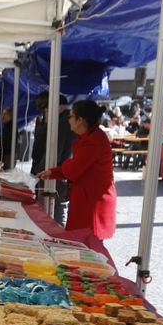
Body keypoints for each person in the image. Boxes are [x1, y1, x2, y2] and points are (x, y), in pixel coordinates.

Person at [39, 99, 117, 240]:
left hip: (93, 203)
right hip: (87, 198)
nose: (68, 120)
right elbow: (75, 167)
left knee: (87, 247)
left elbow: (72, 170)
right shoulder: (89, 137)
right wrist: (53, 172)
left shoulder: (94, 141)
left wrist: (58, 170)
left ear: (80, 120)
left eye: (71, 116)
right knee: (82, 244)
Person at [32, 99, 74, 222]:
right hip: (57, 171)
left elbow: (56, 150)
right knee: (57, 207)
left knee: (57, 207)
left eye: (46, 108)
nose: (45, 111)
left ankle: (58, 236)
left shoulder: (62, 123)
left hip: (57, 172)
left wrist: (47, 170)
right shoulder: (58, 122)